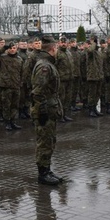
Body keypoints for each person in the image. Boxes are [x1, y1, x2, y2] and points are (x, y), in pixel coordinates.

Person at [31, 35, 64, 186]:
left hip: (51, 108)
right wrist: (42, 110)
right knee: (44, 141)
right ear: (52, 49)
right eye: (56, 47)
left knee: (49, 140)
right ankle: (42, 174)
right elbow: (38, 91)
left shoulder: (48, 64)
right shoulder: (44, 66)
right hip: (45, 110)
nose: (57, 50)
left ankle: (47, 169)